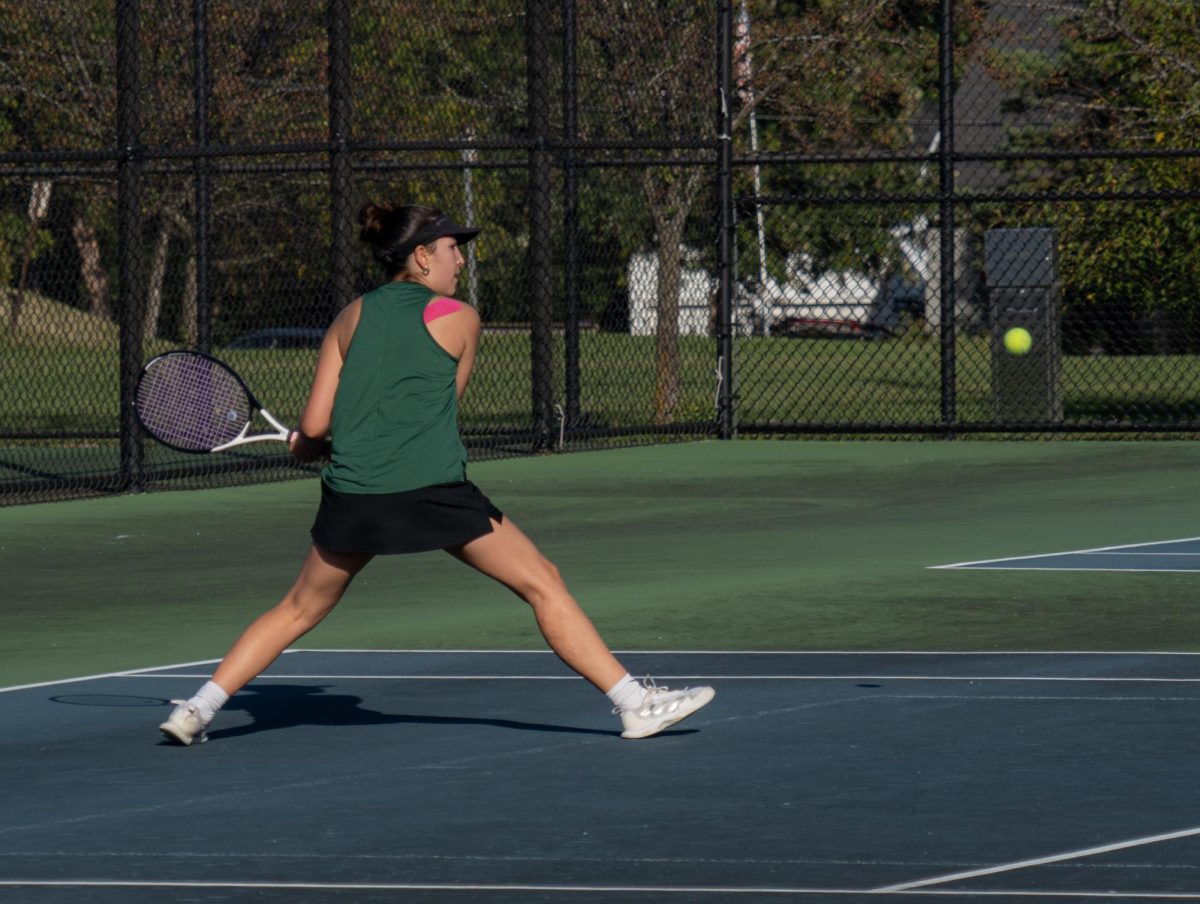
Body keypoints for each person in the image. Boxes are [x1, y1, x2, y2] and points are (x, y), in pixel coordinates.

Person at [158, 201, 714, 746]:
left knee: (298, 608)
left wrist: (310, 446)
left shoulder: (348, 317)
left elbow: (314, 427)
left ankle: (197, 709)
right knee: (542, 581)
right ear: (421, 257)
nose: (461, 261)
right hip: (432, 491)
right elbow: (438, 412)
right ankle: (634, 705)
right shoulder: (463, 319)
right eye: (453, 249)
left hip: (353, 495)